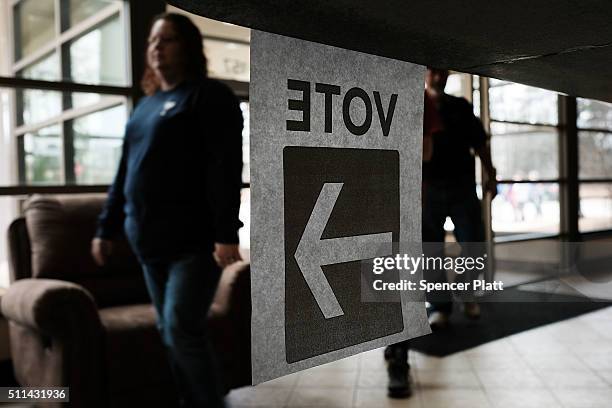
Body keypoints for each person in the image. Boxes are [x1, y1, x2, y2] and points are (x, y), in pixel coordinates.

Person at [91, 13, 243, 408]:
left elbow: (226, 168)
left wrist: (227, 232)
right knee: (170, 330)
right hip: (148, 242)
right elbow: (125, 172)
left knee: (180, 329)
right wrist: (105, 228)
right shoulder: (144, 108)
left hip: (192, 243)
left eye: (168, 39)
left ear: (189, 46)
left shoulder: (210, 97)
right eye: (153, 41)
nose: (157, 47)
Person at [384, 68, 497, 398]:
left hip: (461, 186)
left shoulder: (460, 106)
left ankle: (468, 293)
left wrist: (490, 173)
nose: (437, 75)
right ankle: (442, 305)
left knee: (471, 242)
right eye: (431, 69)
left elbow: (480, 143)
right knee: (430, 250)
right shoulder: (412, 102)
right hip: (428, 190)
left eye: (441, 70)